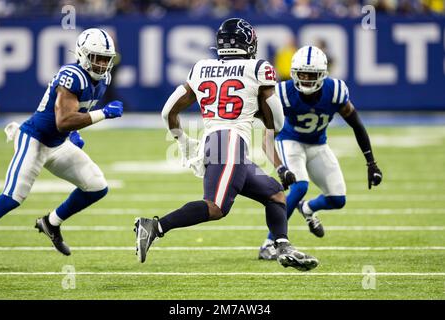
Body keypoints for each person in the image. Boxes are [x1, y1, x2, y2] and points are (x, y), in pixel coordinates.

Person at [134, 18, 319, 271]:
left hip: (219, 141)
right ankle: (154, 226)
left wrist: (183, 139)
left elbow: (168, 112)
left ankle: (283, 246)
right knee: (216, 207)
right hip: (229, 142)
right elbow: (276, 119)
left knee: (275, 193)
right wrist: (257, 113)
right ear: (249, 43)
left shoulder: (201, 68)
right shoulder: (258, 68)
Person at [0, 28, 124, 256]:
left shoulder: (103, 79)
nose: (103, 65)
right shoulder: (71, 75)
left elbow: (77, 112)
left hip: (59, 143)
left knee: (96, 186)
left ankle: (51, 223)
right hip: (34, 139)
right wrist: (103, 113)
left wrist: (74, 134)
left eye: (106, 59)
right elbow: (63, 119)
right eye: (97, 58)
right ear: (83, 55)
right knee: (11, 198)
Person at [258, 45, 383, 260]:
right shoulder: (283, 93)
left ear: (323, 74)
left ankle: (307, 209)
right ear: (294, 73)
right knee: (299, 186)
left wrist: (370, 162)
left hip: (318, 144)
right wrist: (280, 167)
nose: (306, 79)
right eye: (302, 74)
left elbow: (357, 125)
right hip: (290, 141)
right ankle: (269, 243)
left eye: (312, 74)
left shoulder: (334, 91)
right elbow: (267, 137)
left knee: (337, 199)